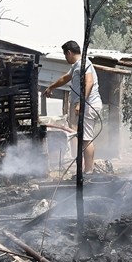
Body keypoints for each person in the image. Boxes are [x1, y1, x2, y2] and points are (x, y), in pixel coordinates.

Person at [44, 40, 102, 171]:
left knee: (86, 139)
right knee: (83, 138)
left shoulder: (84, 63)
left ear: (69, 53)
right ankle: (86, 171)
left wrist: (81, 103)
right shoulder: (77, 66)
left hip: (89, 105)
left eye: (65, 55)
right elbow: (66, 78)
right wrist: (51, 87)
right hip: (86, 104)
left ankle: (88, 172)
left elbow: (89, 82)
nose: (65, 58)